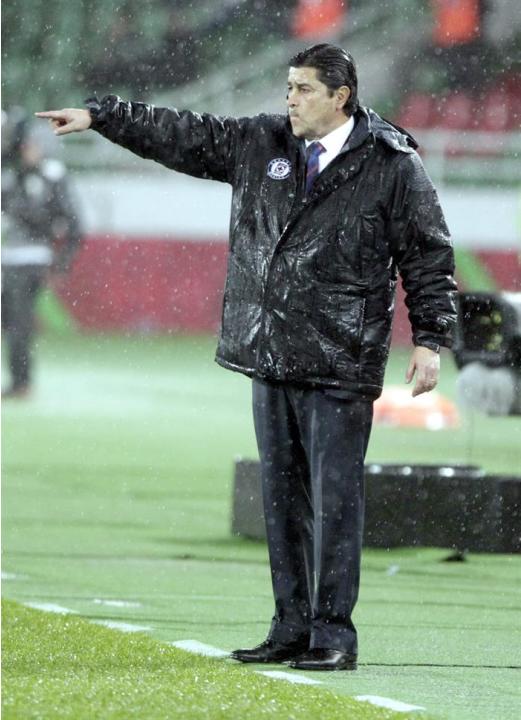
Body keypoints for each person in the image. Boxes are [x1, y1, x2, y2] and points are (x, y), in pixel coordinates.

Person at [37, 43, 457, 671]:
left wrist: (430, 339)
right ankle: (289, 628)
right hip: (273, 351)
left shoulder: (393, 164)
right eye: (288, 86)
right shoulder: (262, 143)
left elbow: (428, 255)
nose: (289, 98)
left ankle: (333, 635)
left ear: (341, 97)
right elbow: (182, 135)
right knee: (283, 502)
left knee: (335, 502)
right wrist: (104, 116)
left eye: (304, 89)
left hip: (342, 359)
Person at [2, 109, 82, 398]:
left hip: (32, 259)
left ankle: (22, 383)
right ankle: (20, 379)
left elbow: (72, 224)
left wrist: (60, 264)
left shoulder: (49, 176)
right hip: (11, 258)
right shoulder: (12, 174)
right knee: (12, 322)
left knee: (18, 322)